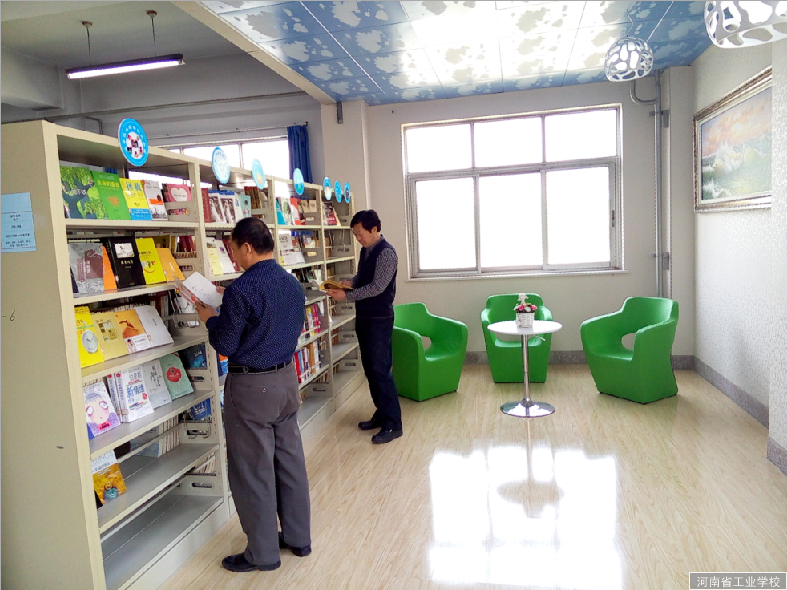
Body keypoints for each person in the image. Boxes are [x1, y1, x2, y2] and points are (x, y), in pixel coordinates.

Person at [195, 217, 311, 572]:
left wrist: (210, 317)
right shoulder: (291, 283)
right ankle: (298, 538)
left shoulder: (242, 289)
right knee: (290, 462)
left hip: (252, 388)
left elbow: (226, 344)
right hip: (286, 380)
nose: (233, 257)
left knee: (252, 471)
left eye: (233, 250)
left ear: (247, 247)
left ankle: (262, 553)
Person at [326, 209, 402, 444]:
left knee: (381, 370)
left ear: (374, 229)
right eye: (355, 235)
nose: (358, 238)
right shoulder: (366, 250)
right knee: (370, 369)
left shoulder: (386, 253)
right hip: (365, 317)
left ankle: (393, 423)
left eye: (360, 234)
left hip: (379, 319)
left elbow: (377, 287)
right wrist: (349, 283)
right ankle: (381, 413)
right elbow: (363, 278)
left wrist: (346, 296)